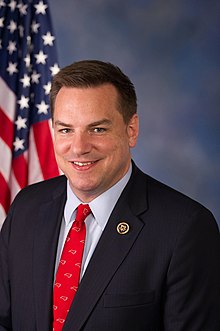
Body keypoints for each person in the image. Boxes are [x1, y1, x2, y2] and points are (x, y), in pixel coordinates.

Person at [0, 60, 220, 331]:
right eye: (66, 129)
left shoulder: (185, 229)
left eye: (98, 129)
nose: (79, 148)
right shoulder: (26, 208)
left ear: (131, 130)